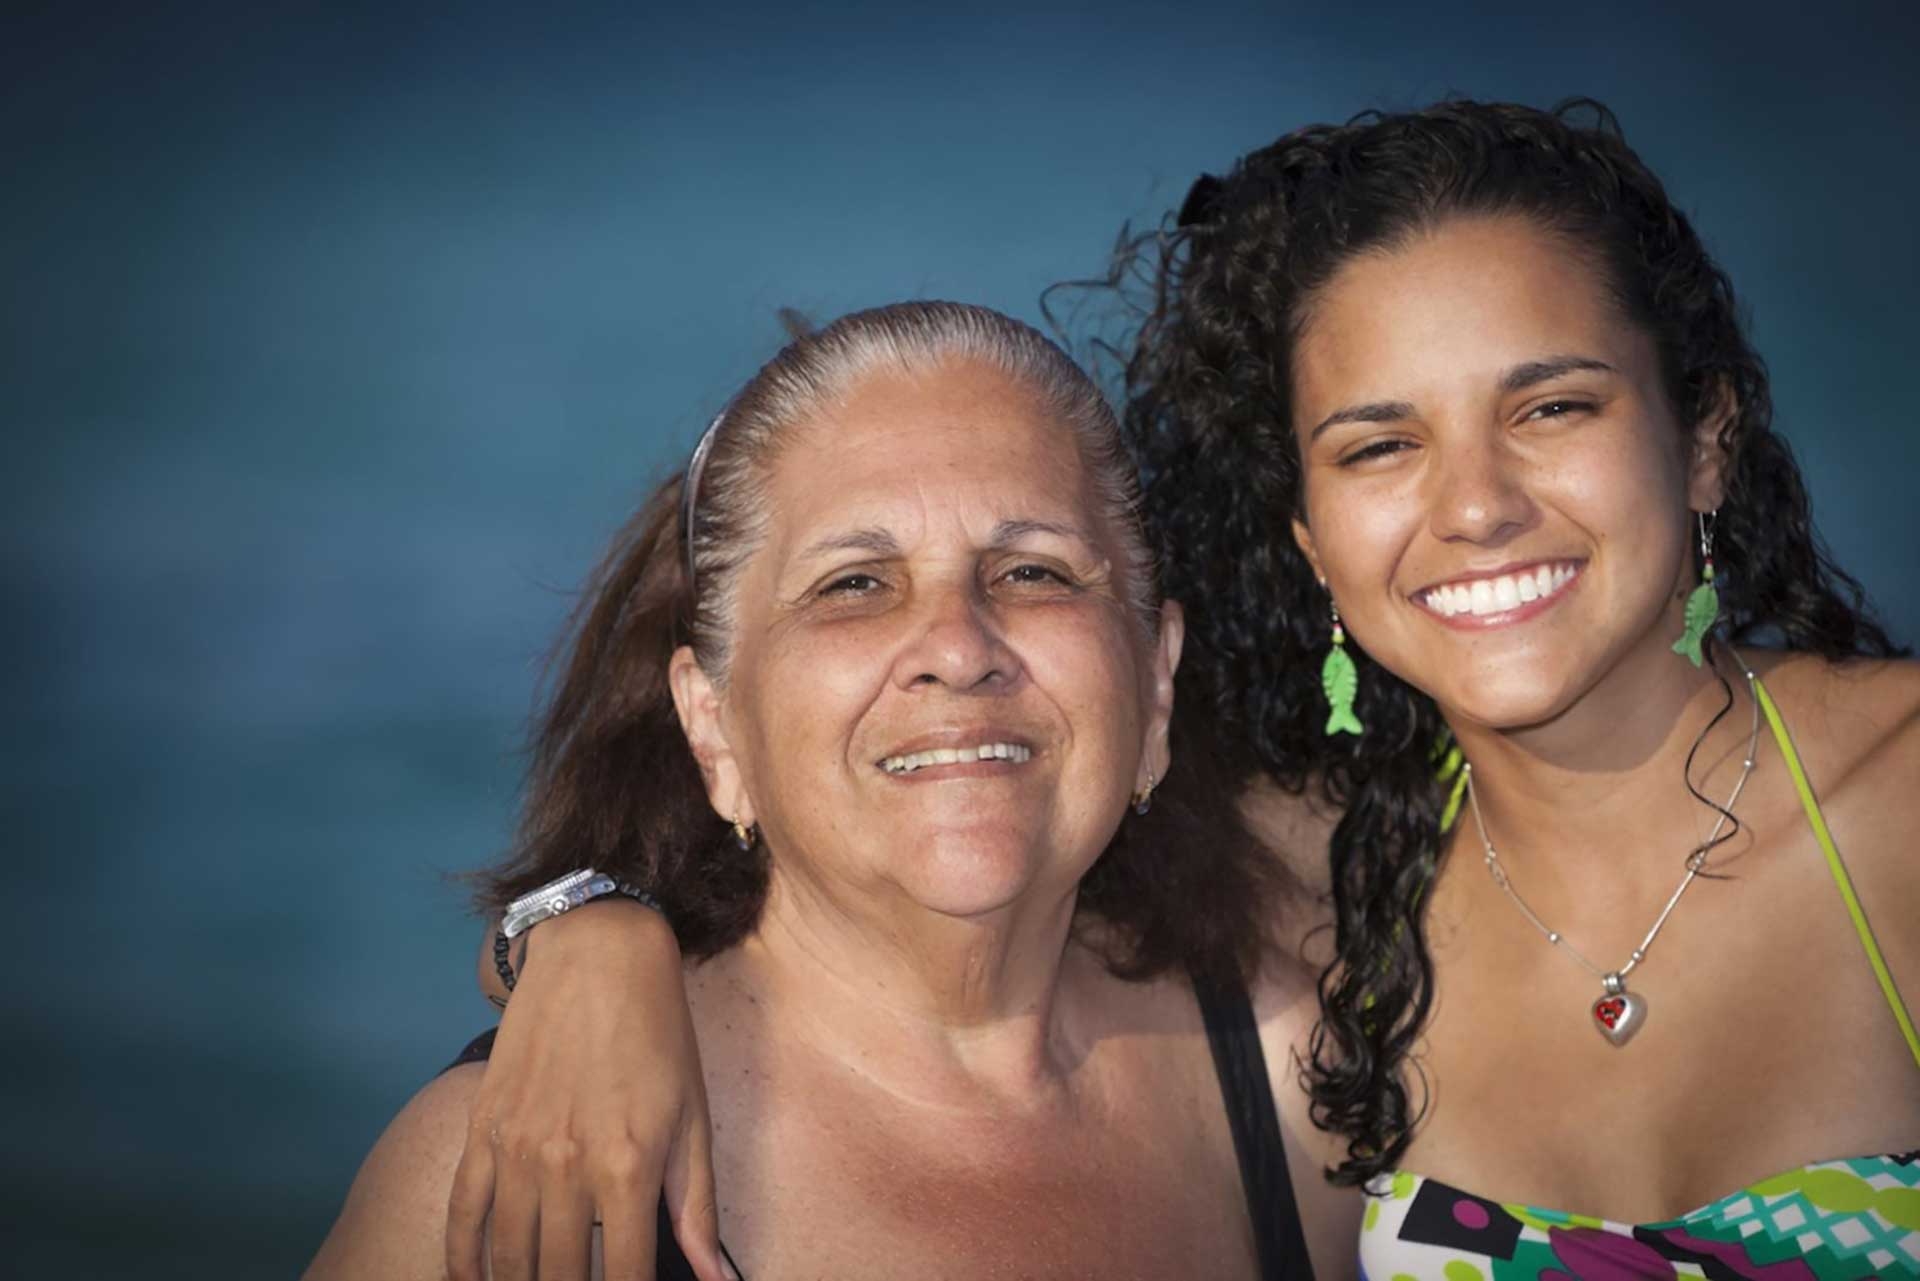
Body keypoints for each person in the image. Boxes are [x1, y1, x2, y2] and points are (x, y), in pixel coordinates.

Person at [448, 101, 1920, 1281]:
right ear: (1308, 537)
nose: (1475, 505)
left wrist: (577, 938)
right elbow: (923, 850)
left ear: (1704, 439)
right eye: (1378, 445)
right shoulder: (1319, 890)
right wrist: (592, 936)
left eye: (1552, 407)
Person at [305, 301, 1353, 1281]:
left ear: (1155, 682)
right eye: (854, 585)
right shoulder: (524, 1171)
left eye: (1033, 571)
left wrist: (574, 924)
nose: (956, 646)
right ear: (714, 724)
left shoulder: (1295, 1075)